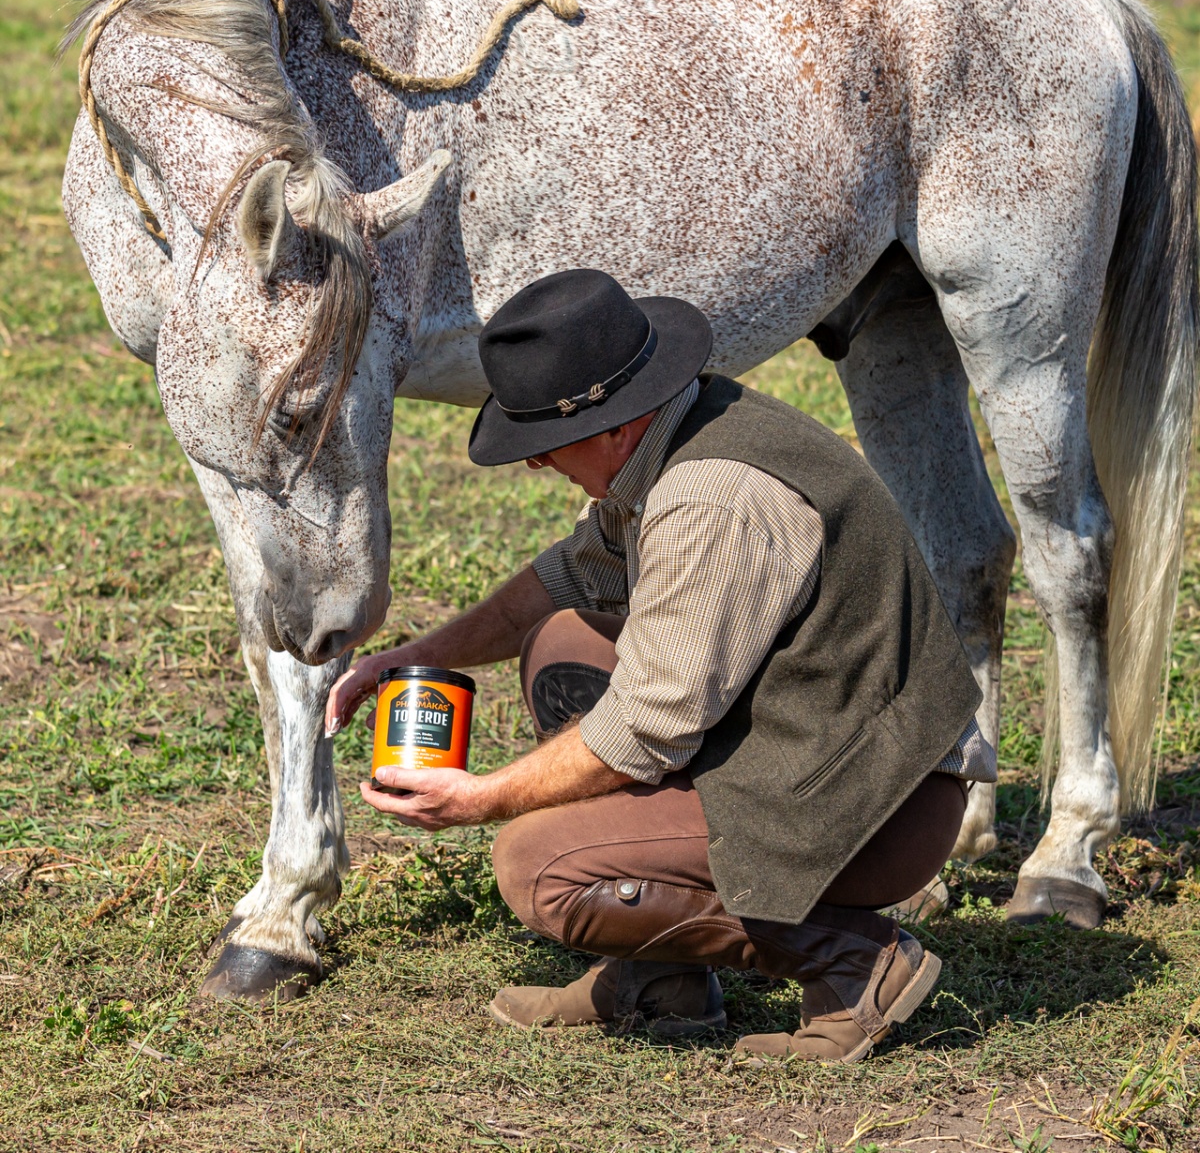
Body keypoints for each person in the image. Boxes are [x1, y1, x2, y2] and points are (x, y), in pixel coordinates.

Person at [325, 268, 997, 1062]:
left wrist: (479, 801)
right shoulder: (671, 433)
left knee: (538, 867)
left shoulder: (711, 497)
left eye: (542, 445)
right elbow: (571, 576)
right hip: (806, 740)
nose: (535, 466)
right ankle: (662, 977)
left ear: (613, 425)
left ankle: (856, 963)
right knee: (562, 642)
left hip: (879, 803)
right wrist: (419, 655)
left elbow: (645, 726)